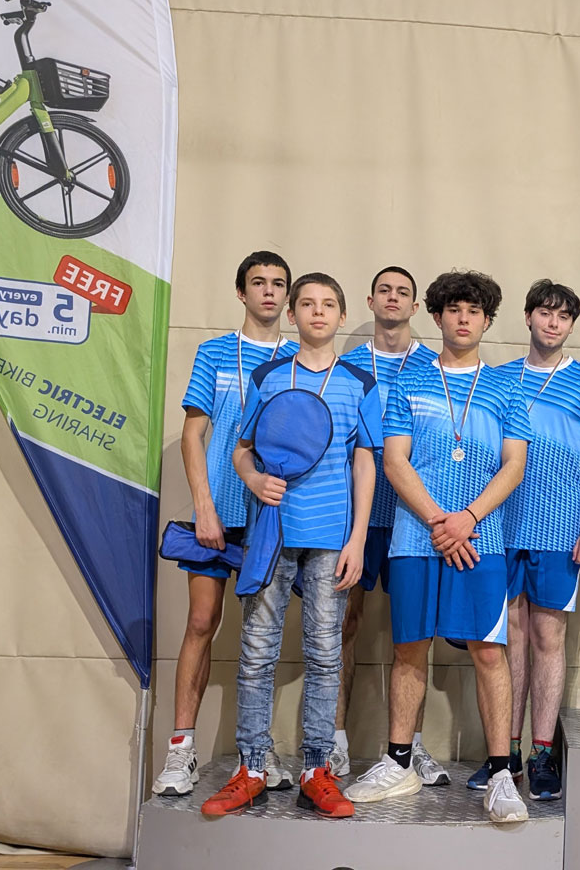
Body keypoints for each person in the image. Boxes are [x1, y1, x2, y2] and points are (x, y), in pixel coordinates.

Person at [345, 270, 533, 823]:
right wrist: (437, 520)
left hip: (481, 538)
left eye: (474, 311)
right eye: (454, 309)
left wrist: (467, 519)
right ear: (437, 316)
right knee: (409, 648)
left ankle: (501, 773)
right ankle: (399, 761)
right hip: (416, 536)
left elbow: (514, 464)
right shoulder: (408, 383)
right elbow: (394, 460)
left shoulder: (506, 387)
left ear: (487, 320)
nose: (463, 319)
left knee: (488, 651)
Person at [201, 272, 381, 817]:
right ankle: (252, 767)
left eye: (328, 304)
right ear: (293, 313)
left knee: (326, 653)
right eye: (307, 303)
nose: (317, 312)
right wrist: (254, 480)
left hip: (331, 539)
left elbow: (365, 461)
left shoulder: (359, 382)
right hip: (271, 535)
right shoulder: (269, 375)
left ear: (342, 316)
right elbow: (241, 449)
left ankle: (316, 770)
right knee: (257, 650)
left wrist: (357, 538)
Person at [153, 252, 298, 797]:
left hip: (273, 517)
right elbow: (193, 435)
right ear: (241, 292)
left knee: (264, 635)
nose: (268, 291)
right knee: (200, 621)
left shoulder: (299, 359)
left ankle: (257, 750)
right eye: (258, 282)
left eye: (278, 283)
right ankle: (181, 750)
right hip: (218, 512)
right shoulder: (214, 352)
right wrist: (205, 505)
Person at [470, 279, 580, 800]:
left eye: (563, 316)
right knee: (509, 636)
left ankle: (543, 754)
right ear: (528, 317)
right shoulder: (498, 378)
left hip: (560, 528)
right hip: (501, 527)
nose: (553, 323)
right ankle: (504, 754)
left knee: (548, 638)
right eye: (545, 313)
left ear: (571, 325)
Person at [337, 266, 445, 784]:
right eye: (385, 291)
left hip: (413, 519)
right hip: (356, 517)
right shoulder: (347, 365)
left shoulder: (433, 367)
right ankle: (334, 740)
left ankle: (411, 747)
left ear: (416, 306)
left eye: (403, 292)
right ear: (370, 301)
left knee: (414, 635)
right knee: (344, 624)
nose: (393, 299)